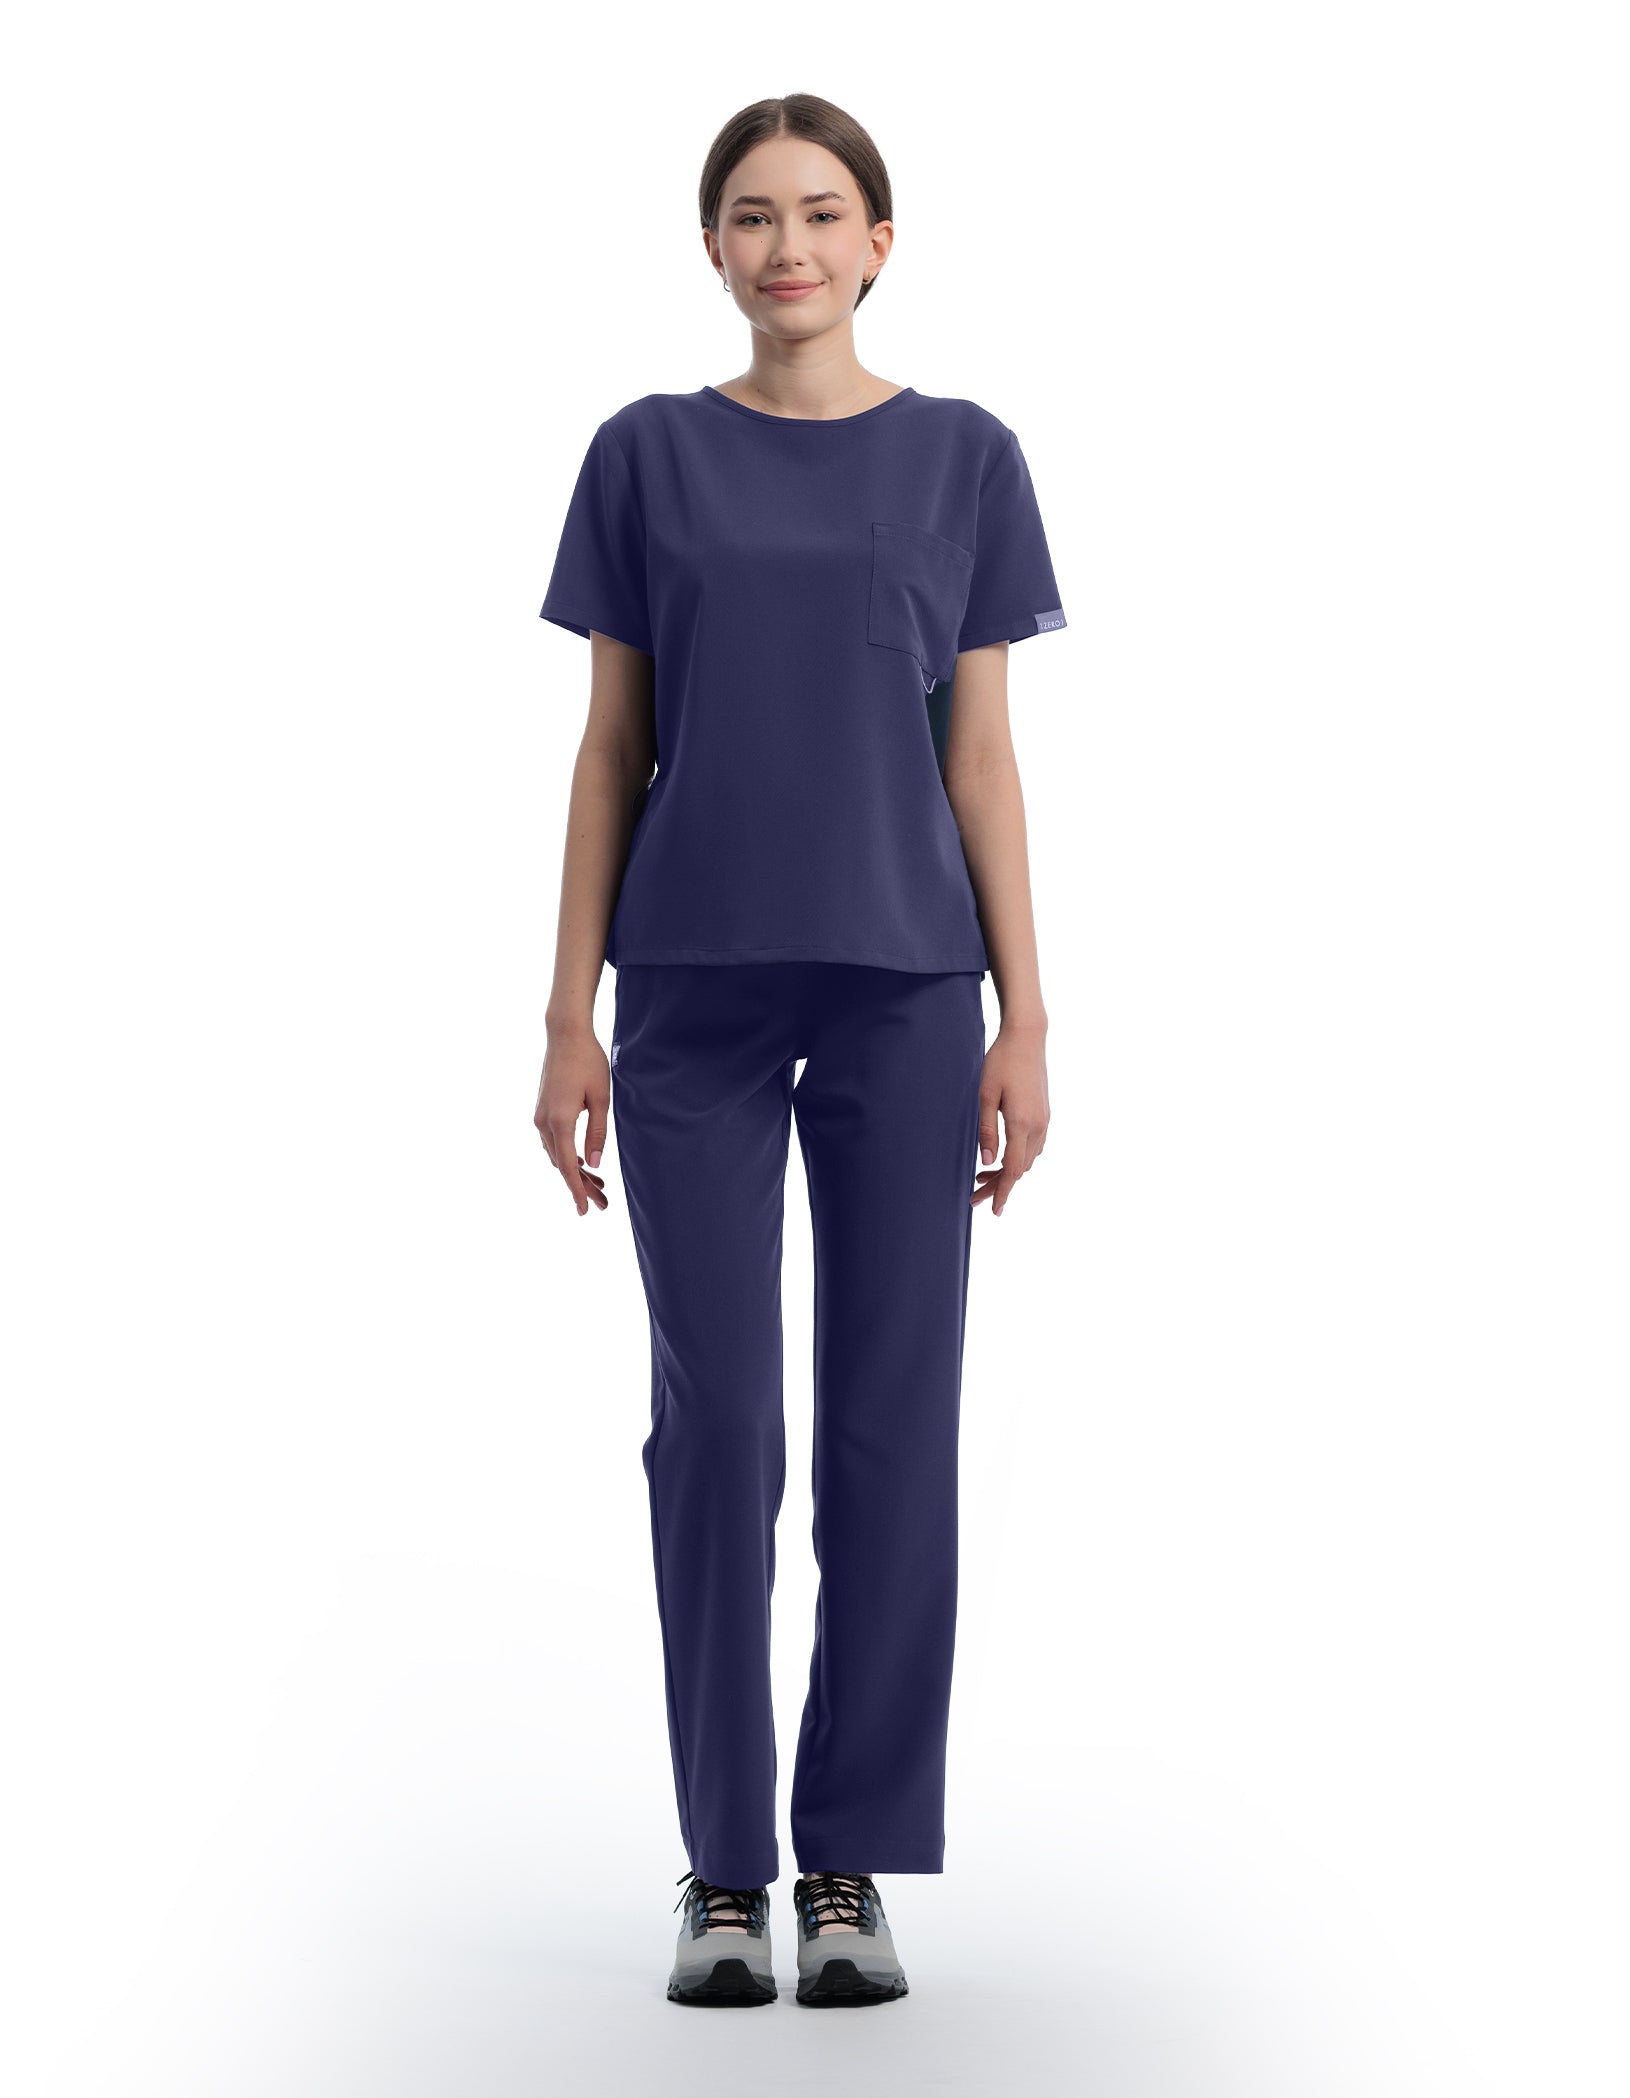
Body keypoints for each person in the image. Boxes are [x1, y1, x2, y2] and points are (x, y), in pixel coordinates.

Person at [533, 93, 1068, 2009]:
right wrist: (566, 1012)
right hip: (688, 983)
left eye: (823, 214)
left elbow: (980, 757)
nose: (789, 248)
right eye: (753, 217)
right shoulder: (644, 454)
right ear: (712, 247)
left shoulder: (965, 457)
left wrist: (1026, 1013)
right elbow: (611, 746)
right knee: (719, 1429)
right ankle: (723, 1867)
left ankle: (845, 1861)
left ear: (879, 241)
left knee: (891, 1422)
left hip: (907, 986)